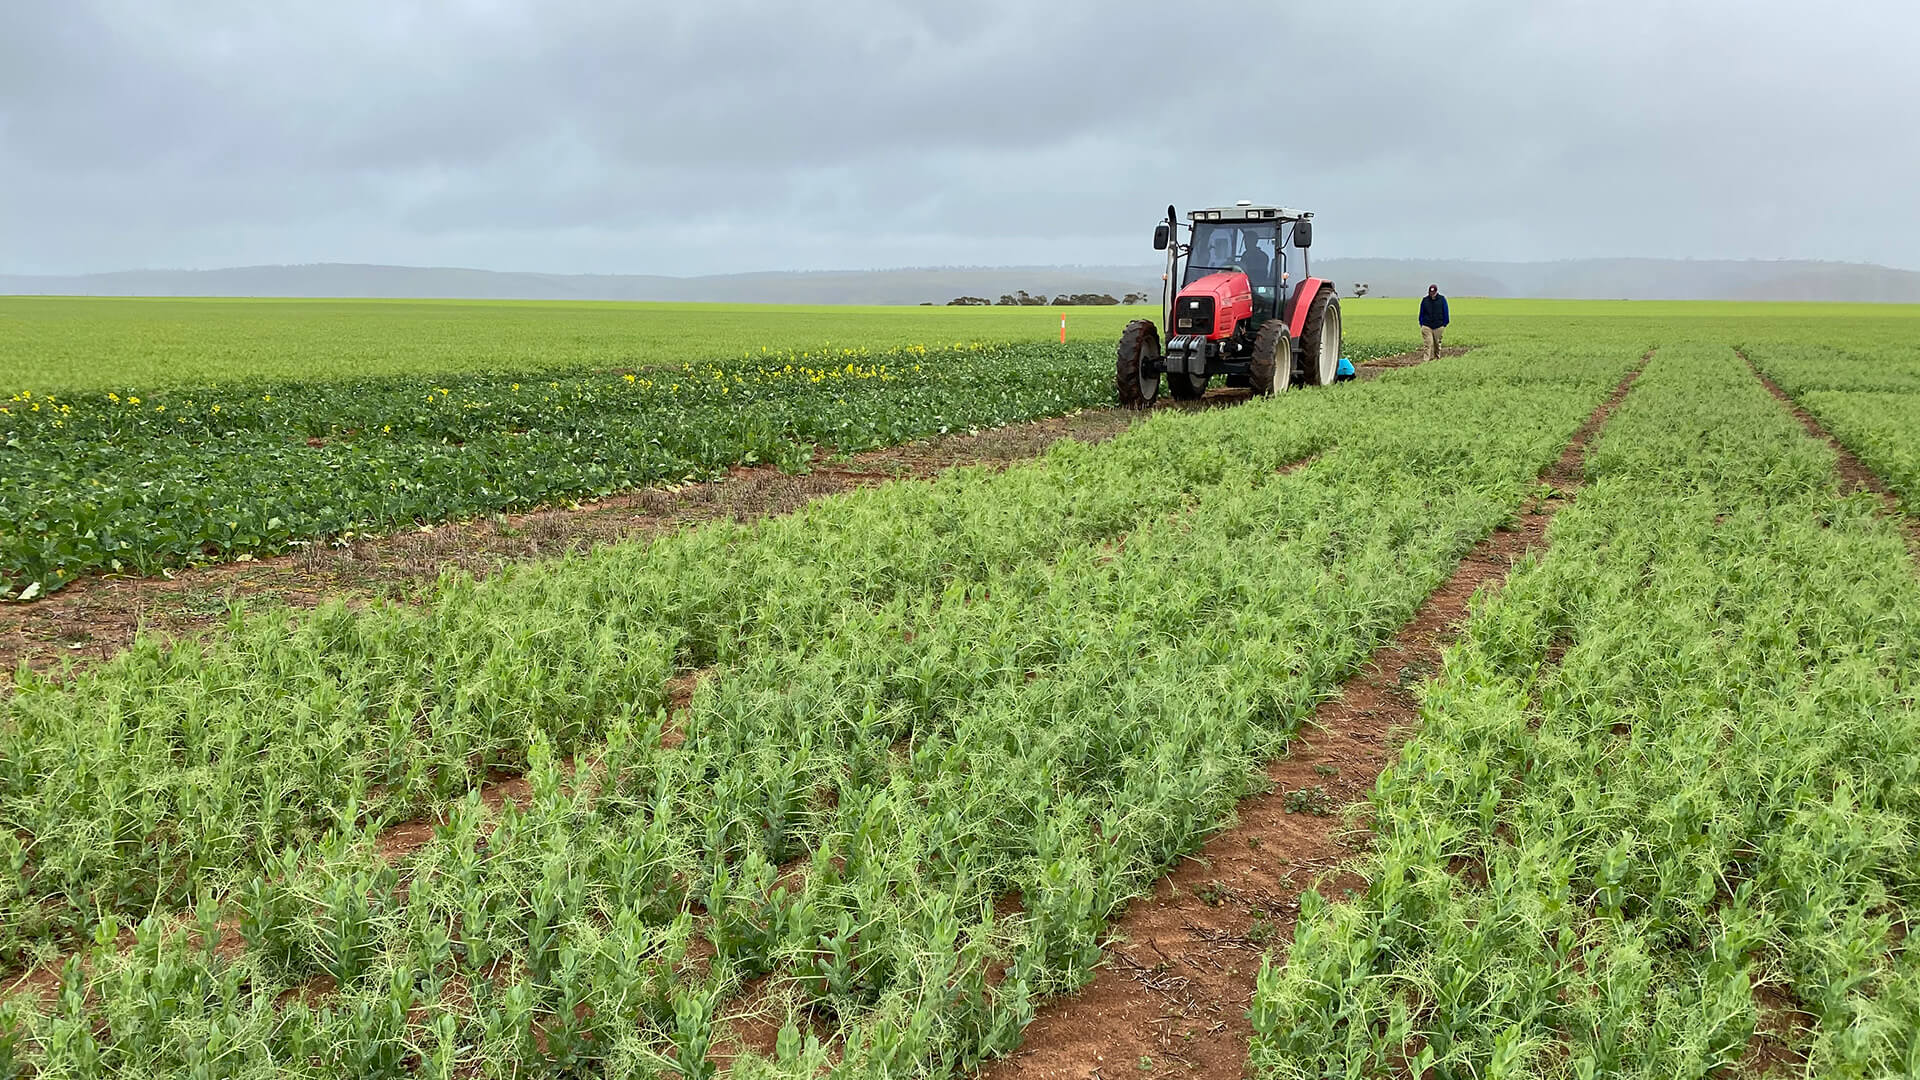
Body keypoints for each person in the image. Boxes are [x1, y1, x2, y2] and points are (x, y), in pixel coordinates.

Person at [1418, 284, 1449, 361]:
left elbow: (1445, 311)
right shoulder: (1425, 300)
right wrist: (1421, 323)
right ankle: (1426, 359)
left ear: (1436, 292)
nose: (1432, 294)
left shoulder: (1442, 299)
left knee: (1437, 343)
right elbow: (1421, 312)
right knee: (1428, 343)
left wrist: (1445, 323)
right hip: (1427, 325)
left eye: (1433, 292)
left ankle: (1437, 358)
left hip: (1438, 325)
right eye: (1430, 292)